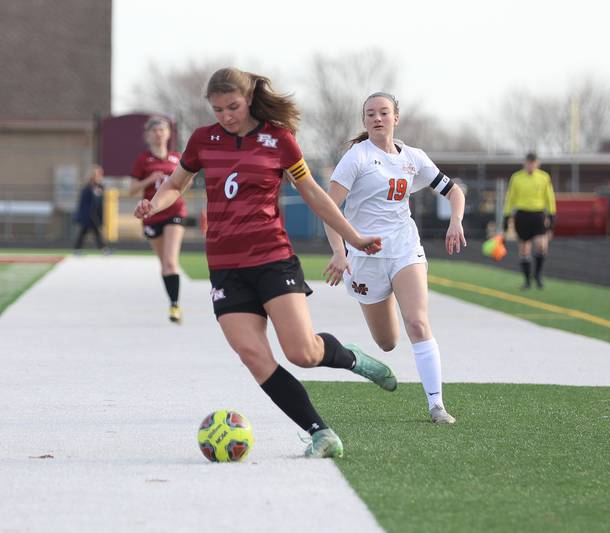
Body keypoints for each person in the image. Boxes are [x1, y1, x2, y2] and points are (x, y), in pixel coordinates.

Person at [134, 67, 396, 459]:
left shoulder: (279, 140)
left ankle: (351, 357)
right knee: (254, 357)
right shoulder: (203, 140)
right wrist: (154, 203)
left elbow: (313, 194)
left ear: (249, 99)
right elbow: (175, 185)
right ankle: (320, 432)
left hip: (272, 259)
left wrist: (353, 237)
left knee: (302, 353)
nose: (225, 115)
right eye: (217, 108)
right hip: (224, 267)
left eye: (233, 106)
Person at [322, 92, 466, 425]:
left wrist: (455, 220)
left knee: (417, 322)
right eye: (370, 113)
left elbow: (453, 191)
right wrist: (339, 253)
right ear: (364, 121)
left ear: (395, 118)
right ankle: (359, 358)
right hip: (364, 257)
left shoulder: (413, 157)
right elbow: (329, 210)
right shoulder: (356, 158)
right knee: (387, 343)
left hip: (404, 248)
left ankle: (436, 405)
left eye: (384, 112)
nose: (377, 118)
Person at [129, 117, 186, 324]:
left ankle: (174, 305)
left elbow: (183, 183)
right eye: (154, 130)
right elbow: (132, 189)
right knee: (164, 264)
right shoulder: (143, 160)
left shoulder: (177, 158)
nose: (158, 133)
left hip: (175, 212)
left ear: (169, 134)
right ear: (148, 135)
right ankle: (172, 299)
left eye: (162, 129)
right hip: (151, 217)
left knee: (171, 262)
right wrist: (149, 180)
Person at [502, 152, 556, 289]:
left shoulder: (544, 177)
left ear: (537, 163)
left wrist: (551, 215)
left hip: (538, 215)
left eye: (533, 162)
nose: (531, 165)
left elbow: (549, 197)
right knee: (524, 248)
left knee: (541, 245)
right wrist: (506, 216)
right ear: (524, 163)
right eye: (528, 162)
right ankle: (527, 280)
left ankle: (537, 275)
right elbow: (510, 198)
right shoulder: (517, 178)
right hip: (522, 215)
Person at [73, 165, 108, 254]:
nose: (100, 176)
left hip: (95, 214)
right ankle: (78, 249)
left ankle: (102, 249)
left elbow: (100, 202)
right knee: (84, 232)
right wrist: (81, 215)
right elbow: (83, 203)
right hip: (87, 215)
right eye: (98, 174)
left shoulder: (100, 187)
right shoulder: (87, 188)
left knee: (95, 232)